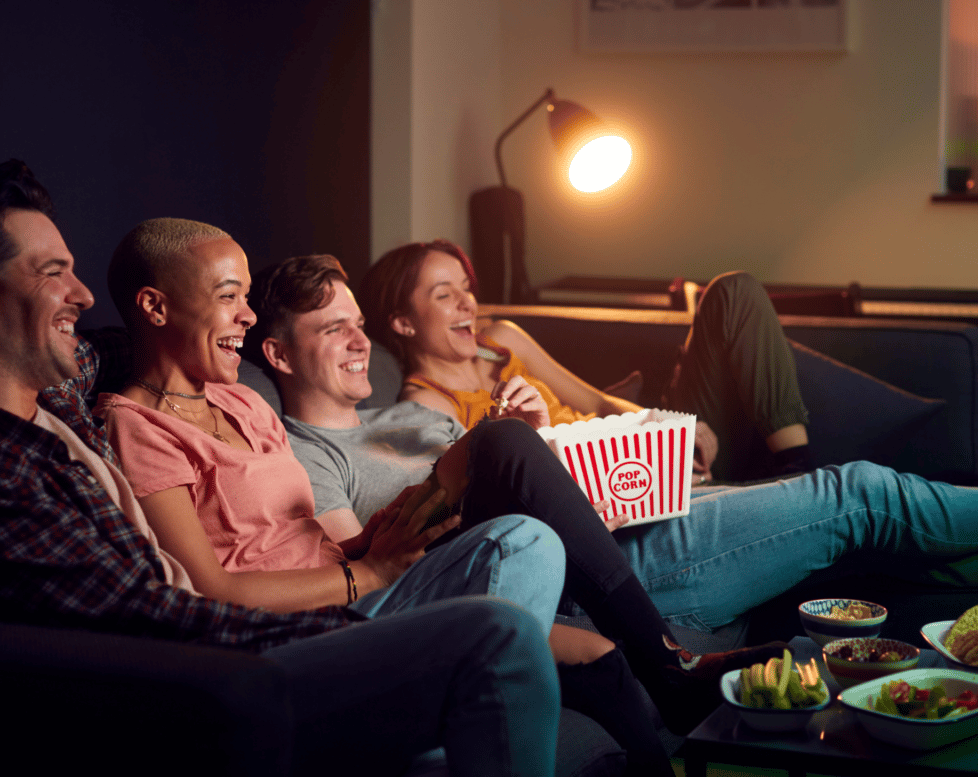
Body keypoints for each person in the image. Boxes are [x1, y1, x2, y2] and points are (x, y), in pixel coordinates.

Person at [101, 221, 788, 774]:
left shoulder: (244, 400)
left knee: (525, 509)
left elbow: (307, 533)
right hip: (314, 625)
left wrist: (376, 539)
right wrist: (362, 572)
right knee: (514, 495)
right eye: (229, 295)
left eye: (248, 295)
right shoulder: (135, 426)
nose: (246, 316)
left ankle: (661, 676)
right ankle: (667, 663)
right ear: (155, 305)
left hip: (356, 574)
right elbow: (206, 587)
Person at [0, 160, 565, 777]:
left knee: (524, 540)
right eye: (52, 273)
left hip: (330, 597)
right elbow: (170, 612)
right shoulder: (30, 463)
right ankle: (453, 714)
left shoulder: (64, 396)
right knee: (497, 633)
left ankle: (468, 704)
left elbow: (103, 343)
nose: (80, 295)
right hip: (233, 661)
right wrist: (365, 587)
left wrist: (378, 540)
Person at [257, 252, 978, 645]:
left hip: (631, 516)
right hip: (609, 575)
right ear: (280, 356)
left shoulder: (410, 418)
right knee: (858, 493)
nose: (358, 340)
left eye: (356, 322)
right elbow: (356, 578)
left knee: (881, 536)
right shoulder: (304, 452)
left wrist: (520, 432)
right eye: (335, 328)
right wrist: (482, 468)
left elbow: (542, 466)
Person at [359, 240, 812, 484]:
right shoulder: (427, 407)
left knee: (733, 292)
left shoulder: (500, 340)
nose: (467, 303)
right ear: (402, 323)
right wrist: (649, 467)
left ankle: (797, 466)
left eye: (465, 287)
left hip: (659, 450)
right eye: (444, 295)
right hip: (617, 486)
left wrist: (669, 426)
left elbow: (597, 403)